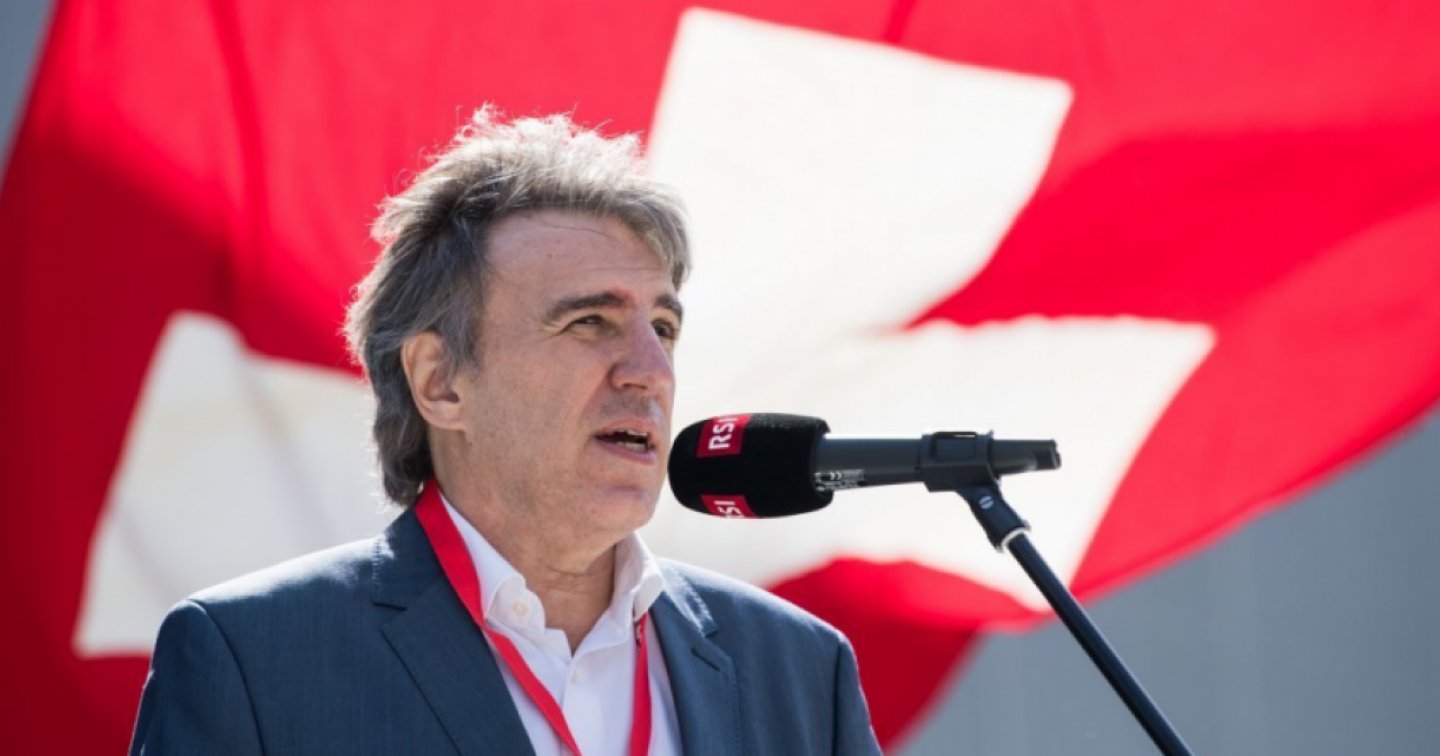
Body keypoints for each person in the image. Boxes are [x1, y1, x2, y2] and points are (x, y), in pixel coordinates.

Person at [129, 108, 881, 755]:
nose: (650, 371)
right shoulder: (254, 660)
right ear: (440, 382)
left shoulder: (799, 668)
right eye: (590, 322)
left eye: (662, 327)